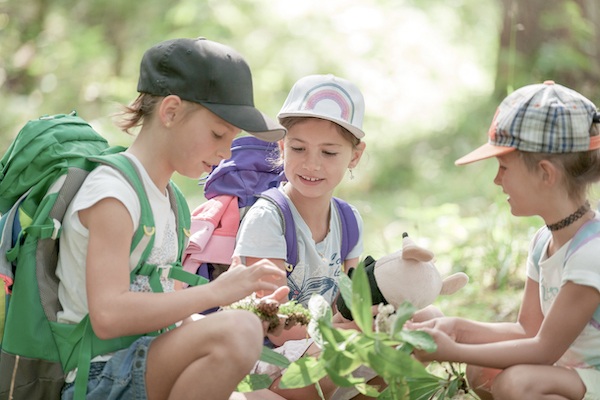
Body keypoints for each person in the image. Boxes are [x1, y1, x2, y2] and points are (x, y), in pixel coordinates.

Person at [55, 37, 291, 400]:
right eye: (217, 134)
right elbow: (108, 314)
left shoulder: (173, 202)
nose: (227, 152)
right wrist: (215, 295)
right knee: (238, 331)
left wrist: (250, 319)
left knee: (265, 393)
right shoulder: (113, 194)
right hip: (99, 376)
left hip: (145, 364)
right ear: (171, 111)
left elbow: (173, 320)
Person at [409, 81, 600, 400]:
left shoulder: (590, 253)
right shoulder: (544, 240)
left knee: (516, 384)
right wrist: (458, 329)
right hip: (573, 372)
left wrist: (454, 349)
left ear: (545, 173)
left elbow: (542, 349)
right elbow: (528, 330)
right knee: (483, 372)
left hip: (593, 374)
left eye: (503, 167)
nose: (496, 179)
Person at [233, 74, 381, 400]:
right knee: (355, 358)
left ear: (354, 156)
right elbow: (272, 321)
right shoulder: (268, 218)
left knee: (388, 357)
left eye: (329, 153)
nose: (311, 164)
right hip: (265, 359)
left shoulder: (348, 221)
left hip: (321, 345)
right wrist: (341, 337)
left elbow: (348, 304)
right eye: (298, 148)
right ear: (282, 147)